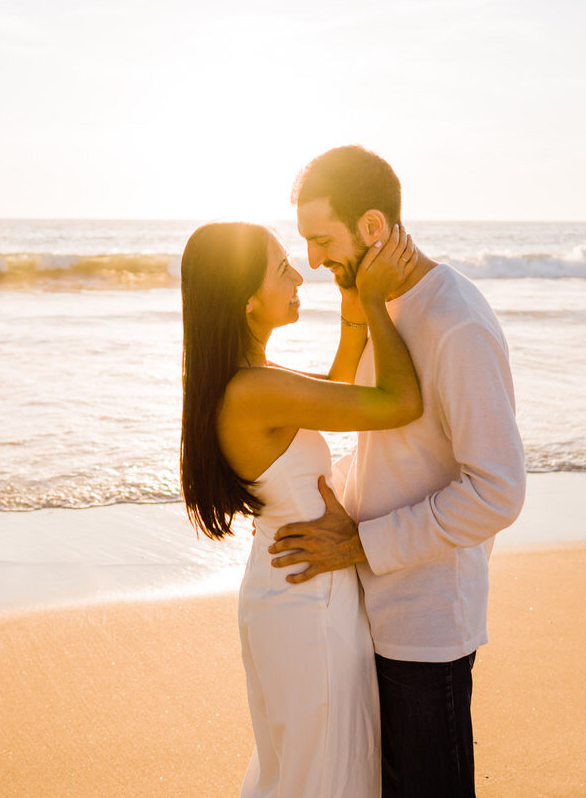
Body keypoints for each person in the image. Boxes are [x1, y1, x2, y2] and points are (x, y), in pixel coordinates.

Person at [269, 145, 526, 797]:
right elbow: (396, 451)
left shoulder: (455, 322)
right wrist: (336, 503)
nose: (316, 261)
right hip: (373, 607)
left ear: (374, 228)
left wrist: (361, 542)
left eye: (323, 241)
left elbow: (499, 491)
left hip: (426, 625)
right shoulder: (387, 307)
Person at [180, 221, 421, 797]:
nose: (299, 277)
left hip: (293, 587)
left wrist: (352, 307)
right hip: (304, 600)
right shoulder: (254, 391)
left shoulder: (250, 384)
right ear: (246, 302)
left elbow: (338, 381)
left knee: (304, 769)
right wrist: (375, 304)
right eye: (281, 268)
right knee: (322, 774)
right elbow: (399, 402)